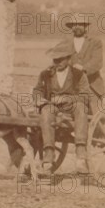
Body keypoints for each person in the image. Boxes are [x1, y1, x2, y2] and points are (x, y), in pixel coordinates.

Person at [33, 40, 90, 174]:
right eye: (54, 60)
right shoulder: (46, 74)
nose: (56, 63)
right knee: (46, 111)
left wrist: (67, 98)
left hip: (73, 106)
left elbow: (85, 95)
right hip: (53, 106)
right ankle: (48, 156)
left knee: (81, 109)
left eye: (60, 59)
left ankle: (81, 156)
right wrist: (39, 99)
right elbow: (37, 90)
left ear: (68, 59)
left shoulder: (78, 74)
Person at [65, 15, 105, 109]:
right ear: (71, 28)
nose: (77, 26)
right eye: (74, 25)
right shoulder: (66, 43)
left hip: (92, 85)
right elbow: (61, 60)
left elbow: (97, 62)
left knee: (97, 114)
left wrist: (83, 68)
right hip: (73, 86)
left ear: (85, 26)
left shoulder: (95, 42)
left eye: (80, 24)